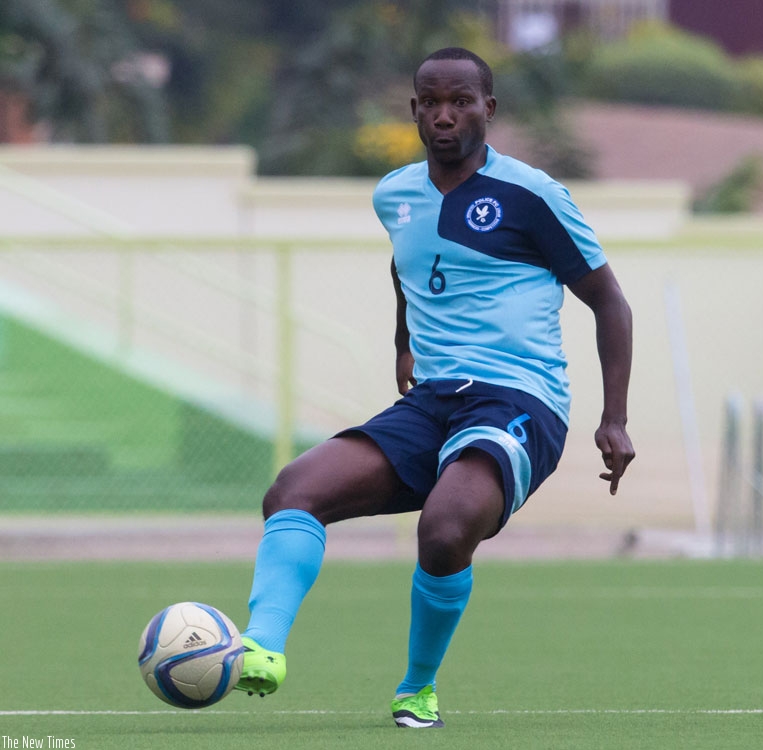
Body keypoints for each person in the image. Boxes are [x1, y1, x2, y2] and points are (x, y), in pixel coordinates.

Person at [235, 47, 635, 729]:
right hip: (434, 400)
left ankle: (416, 689)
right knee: (291, 491)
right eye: (432, 103)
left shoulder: (533, 195)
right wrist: (404, 342)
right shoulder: (395, 194)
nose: (445, 115)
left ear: (489, 109)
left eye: (462, 101)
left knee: (445, 530)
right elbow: (409, 264)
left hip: (520, 399)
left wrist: (615, 418)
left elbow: (610, 302)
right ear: (414, 110)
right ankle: (259, 648)